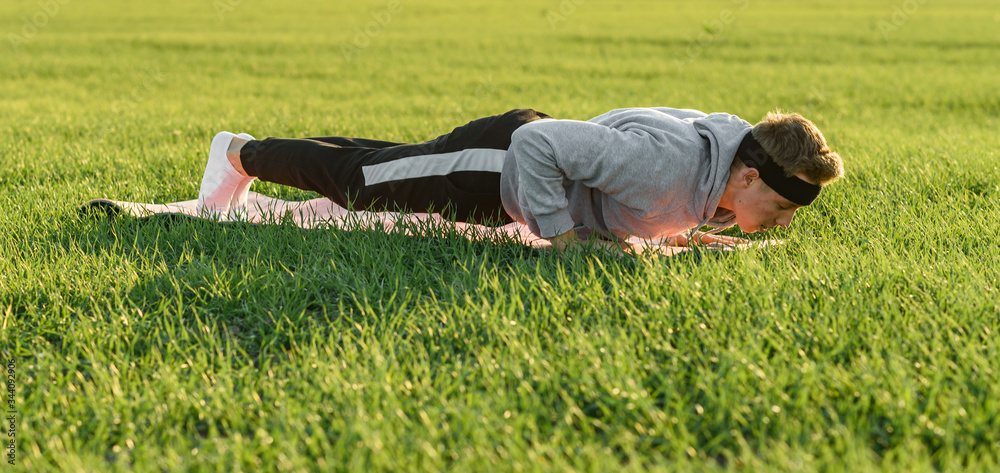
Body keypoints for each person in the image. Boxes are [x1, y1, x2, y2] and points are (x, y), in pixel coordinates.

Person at [197, 108, 844, 255]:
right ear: (751, 174)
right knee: (363, 181)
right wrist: (562, 239)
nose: (785, 218)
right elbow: (540, 144)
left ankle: (250, 154)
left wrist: (681, 239)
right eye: (784, 206)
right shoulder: (671, 165)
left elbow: (650, 206)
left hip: (510, 173)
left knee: (380, 163)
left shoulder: (721, 168)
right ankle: (238, 154)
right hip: (495, 165)